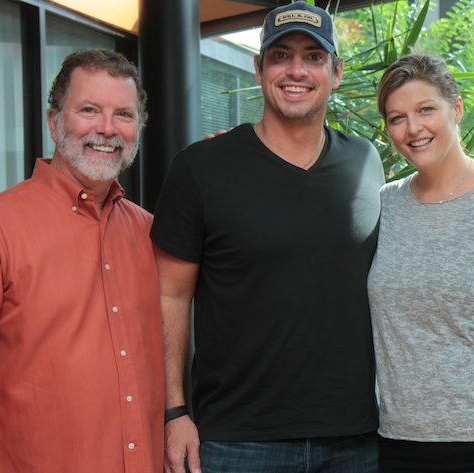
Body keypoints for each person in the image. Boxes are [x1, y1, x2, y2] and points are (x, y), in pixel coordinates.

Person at [151, 1, 385, 472]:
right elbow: (169, 296)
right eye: (280, 55)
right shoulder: (200, 168)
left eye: (313, 57)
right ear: (259, 69)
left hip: (354, 440)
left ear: (336, 72)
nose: (295, 70)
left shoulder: (365, 161)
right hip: (237, 443)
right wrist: (174, 411)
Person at [0, 49, 165, 472]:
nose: (107, 129)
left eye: (124, 115)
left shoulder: (152, 234)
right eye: (89, 110)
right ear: (54, 122)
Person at [368, 54, 474, 473]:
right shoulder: (382, 204)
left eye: (426, 109)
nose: (413, 129)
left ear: (456, 108)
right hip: (400, 445)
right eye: (396, 118)